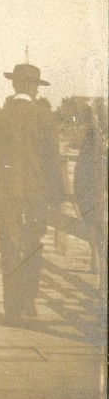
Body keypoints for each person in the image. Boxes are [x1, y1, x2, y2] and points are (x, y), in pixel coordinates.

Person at [0, 63, 65, 325]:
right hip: (37, 194)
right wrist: (58, 196)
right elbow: (52, 159)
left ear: (14, 85)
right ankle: (29, 297)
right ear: (35, 88)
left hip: (6, 192)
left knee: (10, 246)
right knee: (34, 243)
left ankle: (12, 307)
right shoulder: (45, 117)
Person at [73, 99, 108, 275]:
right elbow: (81, 165)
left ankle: (101, 273)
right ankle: (95, 265)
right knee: (93, 228)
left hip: (99, 190)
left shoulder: (100, 136)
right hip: (90, 189)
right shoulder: (90, 136)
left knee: (99, 229)